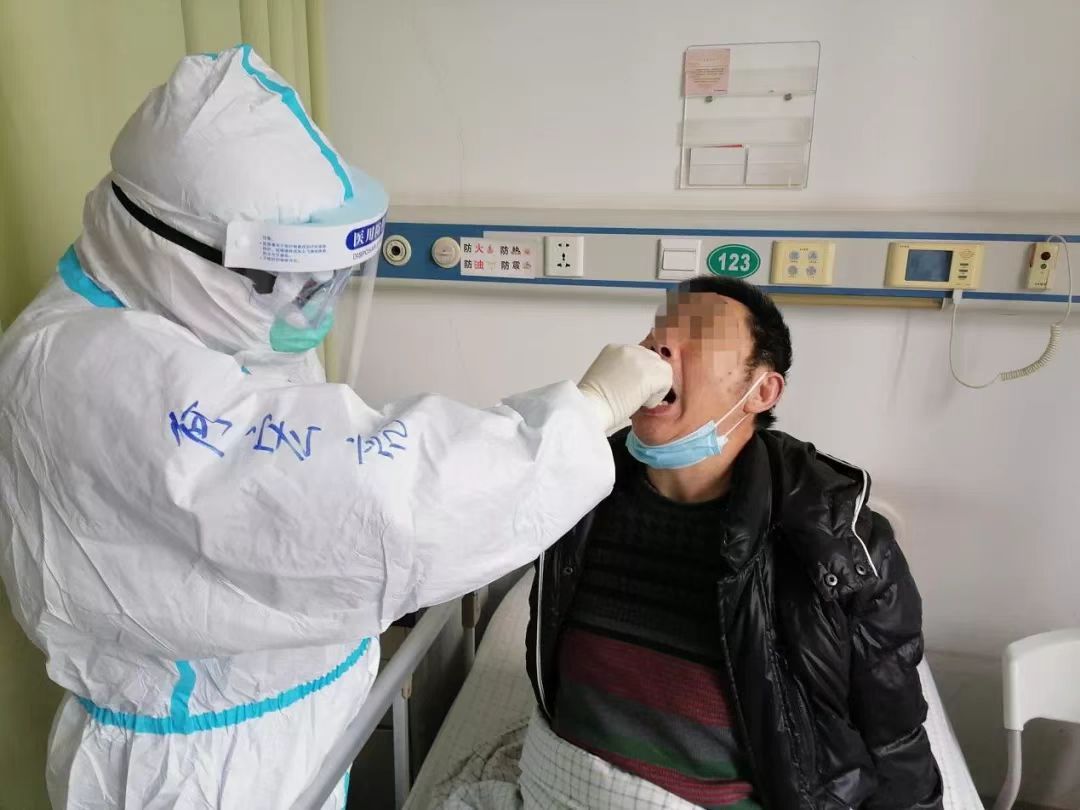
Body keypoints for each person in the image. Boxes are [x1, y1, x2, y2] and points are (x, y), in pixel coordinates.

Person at [0, 46, 672, 810]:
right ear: (178, 248)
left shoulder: (215, 314)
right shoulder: (87, 369)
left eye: (326, 281)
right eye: (285, 281)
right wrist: (583, 416)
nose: (311, 306)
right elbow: (371, 501)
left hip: (288, 729)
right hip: (193, 774)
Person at [526, 276, 943, 810]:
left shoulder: (837, 541)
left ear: (761, 392)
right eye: (656, 334)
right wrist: (571, 421)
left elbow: (894, 734)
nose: (659, 346)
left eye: (699, 335)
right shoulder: (577, 486)